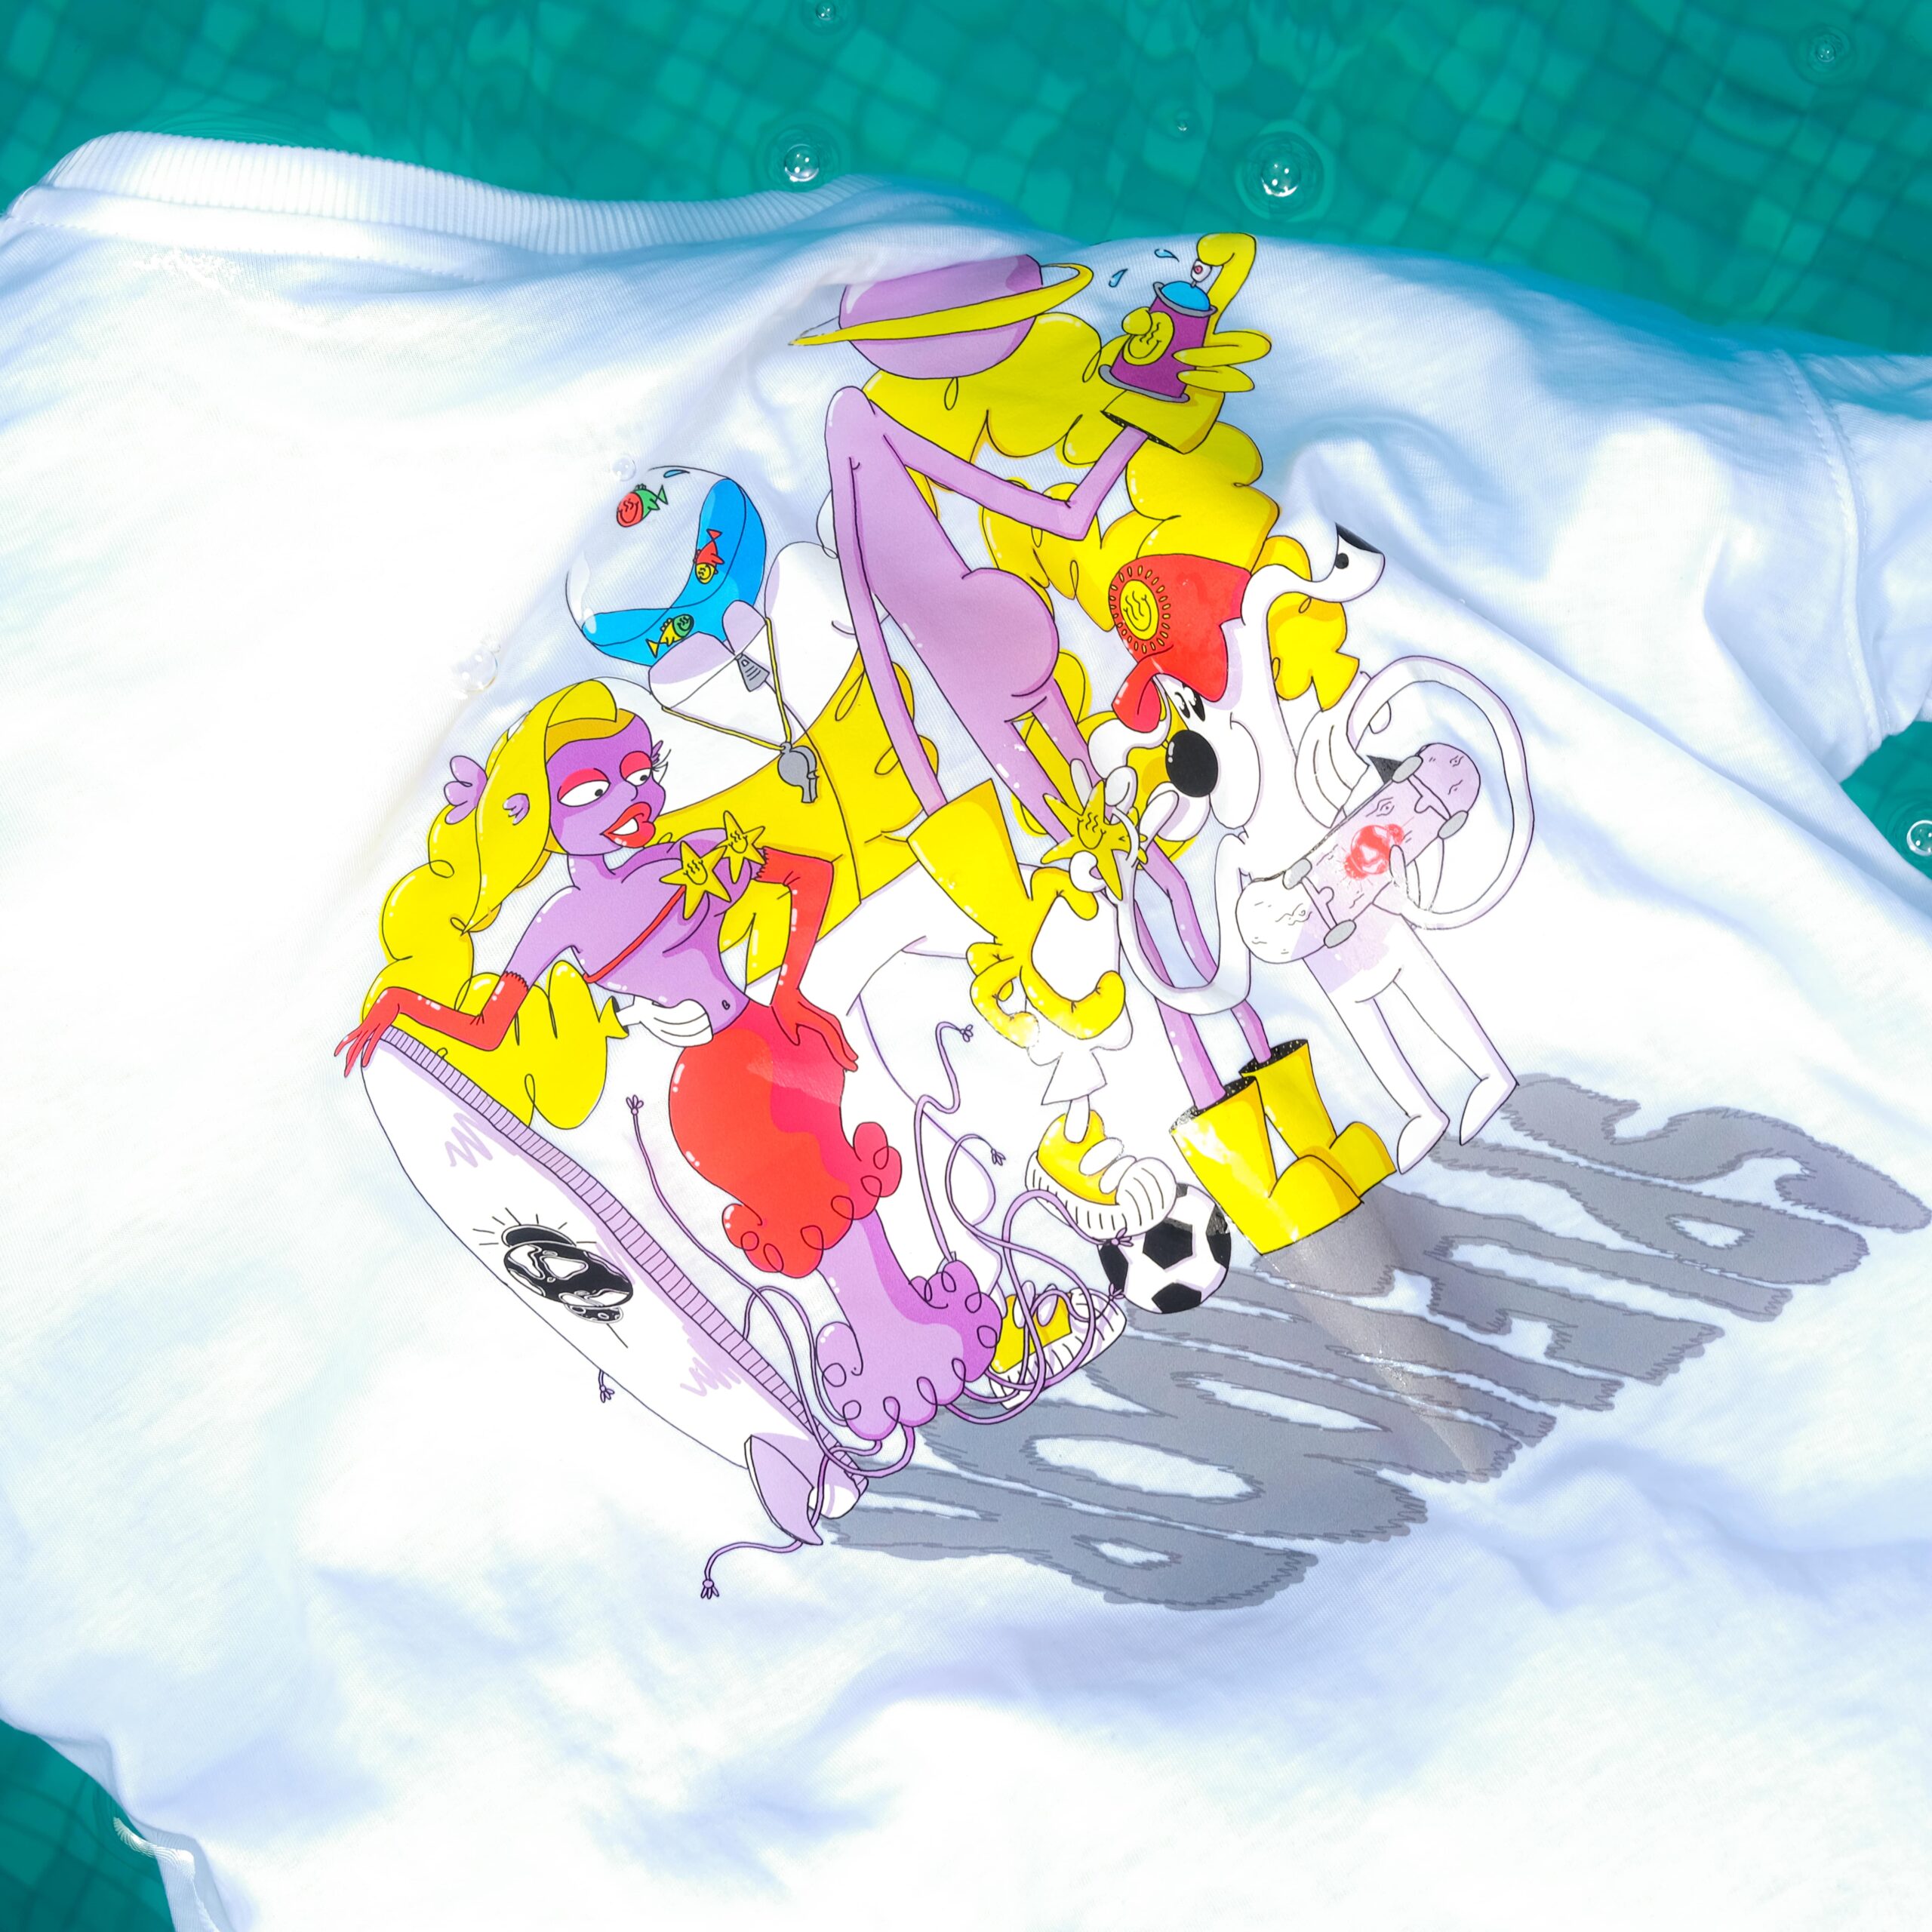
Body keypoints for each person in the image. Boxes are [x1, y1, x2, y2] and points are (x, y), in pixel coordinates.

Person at [337, 678, 998, 1442]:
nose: (630, 795)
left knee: (842, 1194)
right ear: (543, 815)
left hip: (771, 1044)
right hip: (720, 1093)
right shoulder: (563, 917)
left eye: (639, 771)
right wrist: (401, 1004)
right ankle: (895, 1365)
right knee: (818, 1209)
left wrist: (790, 988)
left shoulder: (688, 855)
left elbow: (808, 873)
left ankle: (911, 1350)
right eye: (590, 789)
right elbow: (488, 1030)